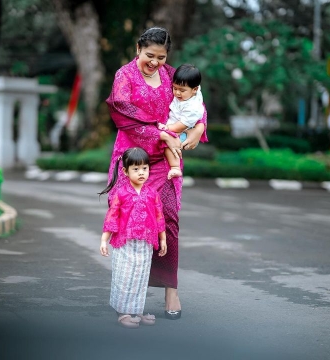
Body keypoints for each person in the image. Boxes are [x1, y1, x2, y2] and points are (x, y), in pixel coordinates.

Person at [105, 27, 208, 321]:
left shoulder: (172, 75)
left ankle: (170, 289)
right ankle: (128, 296)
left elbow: (195, 102)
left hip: (165, 160)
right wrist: (160, 135)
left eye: (161, 58)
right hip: (133, 158)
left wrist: (199, 128)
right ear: (138, 49)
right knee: (130, 222)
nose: (155, 62)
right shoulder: (124, 77)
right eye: (150, 55)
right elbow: (122, 114)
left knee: (169, 219)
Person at [99, 147, 167, 328]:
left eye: (144, 168)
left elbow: (159, 216)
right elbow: (112, 216)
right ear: (125, 171)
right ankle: (123, 312)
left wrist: (162, 239)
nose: (141, 172)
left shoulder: (152, 194)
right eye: (136, 169)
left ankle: (137, 309)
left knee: (141, 276)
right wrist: (104, 240)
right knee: (124, 276)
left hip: (145, 243)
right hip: (125, 243)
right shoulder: (121, 193)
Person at [158, 64, 205, 179]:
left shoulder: (193, 107)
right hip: (176, 124)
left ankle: (175, 167)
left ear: (195, 90)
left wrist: (168, 128)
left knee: (169, 145)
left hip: (183, 131)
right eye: (175, 88)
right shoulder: (189, 92)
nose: (177, 93)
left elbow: (182, 124)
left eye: (182, 90)